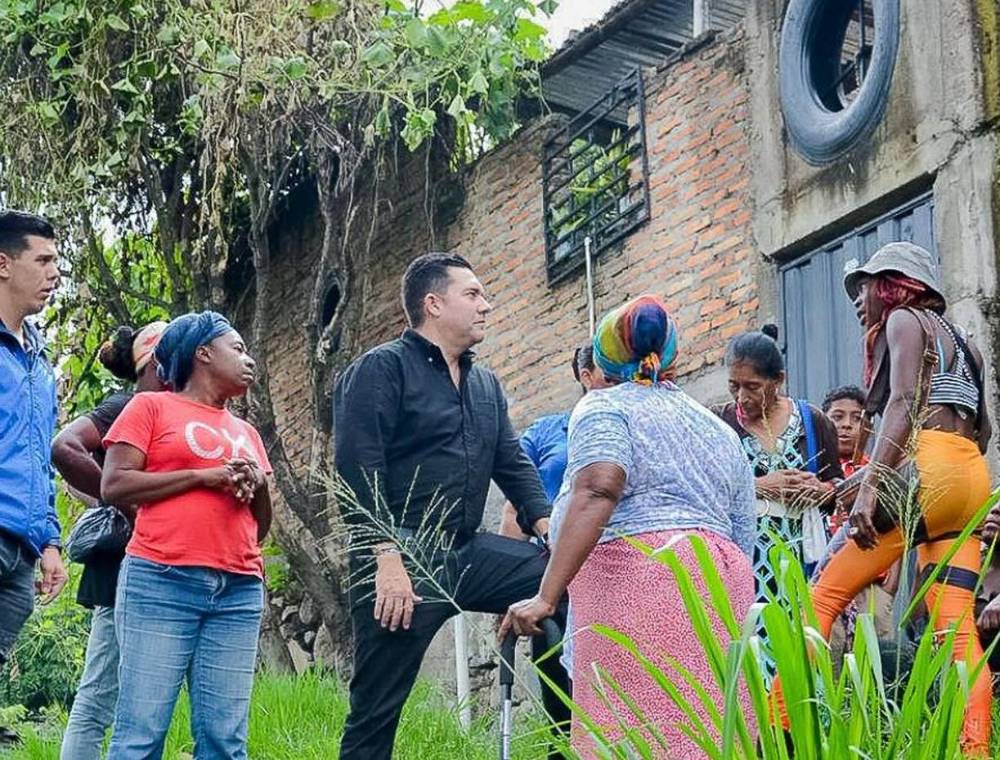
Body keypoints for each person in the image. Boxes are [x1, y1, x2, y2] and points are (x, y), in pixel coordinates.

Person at [334, 252, 571, 759]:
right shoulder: (381, 370)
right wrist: (387, 558)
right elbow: (359, 470)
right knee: (377, 707)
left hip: (468, 553)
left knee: (559, 583)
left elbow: (512, 464)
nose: (486, 305)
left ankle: (564, 746)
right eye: (474, 294)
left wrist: (548, 527)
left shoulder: (484, 383)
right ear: (434, 304)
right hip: (403, 560)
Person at [500, 294, 756, 757]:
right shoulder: (716, 427)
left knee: (634, 736)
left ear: (605, 357)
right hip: (721, 586)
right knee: (707, 732)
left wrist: (546, 595)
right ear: (671, 356)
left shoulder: (604, 407)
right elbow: (742, 532)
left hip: (638, 584)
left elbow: (599, 487)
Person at [795, 242, 993, 755]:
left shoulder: (905, 320)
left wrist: (876, 486)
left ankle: (782, 729)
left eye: (864, 287)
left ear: (894, 286)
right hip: (971, 478)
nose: (859, 299)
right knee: (955, 627)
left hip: (930, 470)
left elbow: (903, 402)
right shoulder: (965, 342)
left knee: (825, 594)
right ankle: (976, 748)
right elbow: (985, 429)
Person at [101, 311, 272, 760]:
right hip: (161, 580)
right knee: (141, 734)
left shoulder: (247, 433)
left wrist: (257, 483)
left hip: (238, 589)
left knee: (225, 741)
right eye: (237, 348)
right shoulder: (150, 407)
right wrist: (203, 476)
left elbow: (260, 526)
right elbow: (114, 484)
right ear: (204, 353)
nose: (248, 359)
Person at [53, 322, 168, 760]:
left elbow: (93, 486)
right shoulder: (127, 406)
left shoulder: (176, 413)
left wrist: (108, 496)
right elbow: (65, 447)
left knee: (134, 697)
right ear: (158, 360)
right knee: (100, 694)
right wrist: (127, 507)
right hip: (124, 570)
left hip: (159, 564)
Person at [716, 327, 843, 592]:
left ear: (778, 380)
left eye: (753, 387)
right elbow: (702, 490)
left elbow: (837, 485)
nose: (742, 398)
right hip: (741, 563)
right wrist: (760, 486)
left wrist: (822, 491)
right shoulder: (717, 424)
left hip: (803, 558)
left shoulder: (812, 421)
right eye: (733, 386)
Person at [0, 210, 67, 678]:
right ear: (3, 264)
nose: (54, 273)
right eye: (42, 261)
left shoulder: (39, 365)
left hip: (20, 552)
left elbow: (41, 461)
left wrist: (49, 542)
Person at [498, 342, 610, 538]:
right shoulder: (546, 430)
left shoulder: (637, 427)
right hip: (551, 550)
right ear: (587, 377)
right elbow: (516, 504)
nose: (619, 379)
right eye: (609, 374)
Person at [821, 385, 896, 654]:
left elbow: (898, 525)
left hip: (871, 584)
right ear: (823, 421)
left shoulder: (876, 472)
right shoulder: (815, 470)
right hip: (826, 581)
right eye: (838, 417)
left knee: (875, 664)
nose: (847, 425)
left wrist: (891, 583)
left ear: (869, 427)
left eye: (857, 418)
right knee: (829, 657)